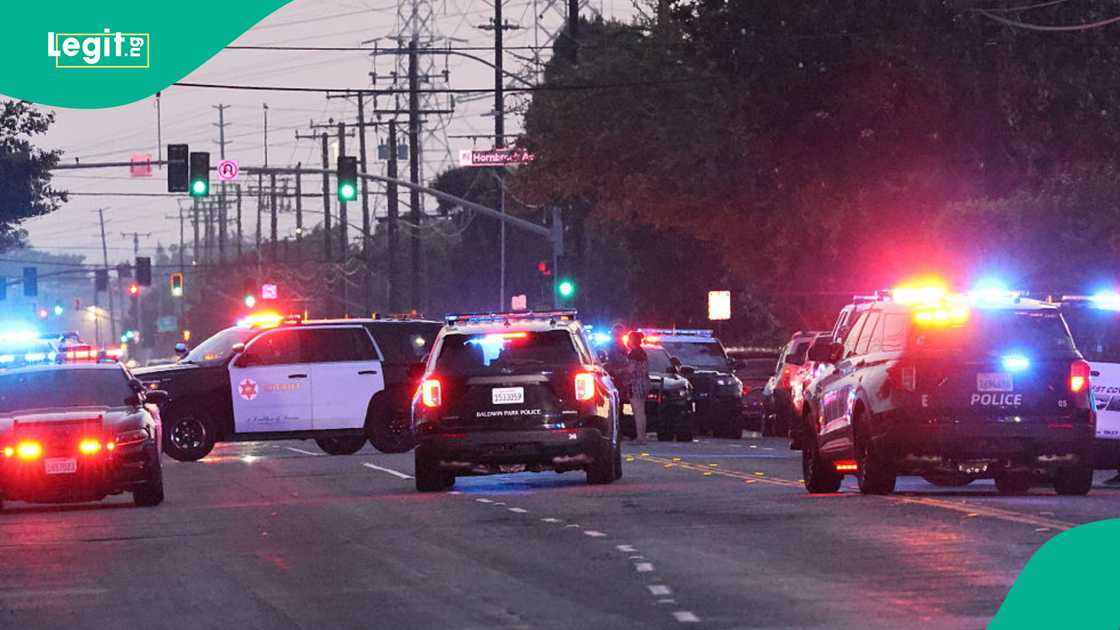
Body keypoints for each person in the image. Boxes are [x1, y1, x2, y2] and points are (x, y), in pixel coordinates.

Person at [627, 330, 651, 445]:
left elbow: (630, 370)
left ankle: (640, 438)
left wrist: (620, 370)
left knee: (637, 411)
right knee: (642, 411)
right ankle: (642, 436)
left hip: (636, 384)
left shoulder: (633, 353)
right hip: (645, 382)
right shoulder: (643, 352)